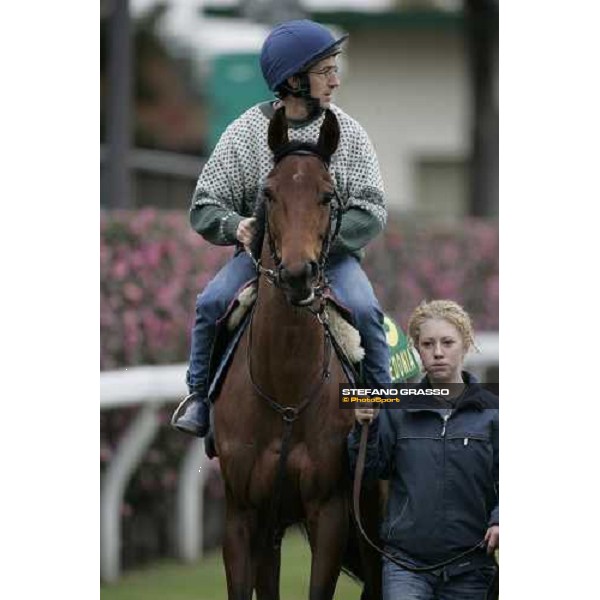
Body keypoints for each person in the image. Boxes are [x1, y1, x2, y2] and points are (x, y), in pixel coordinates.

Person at [171, 19, 391, 437]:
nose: (335, 80)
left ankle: (383, 405)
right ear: (293, 80)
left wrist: (316, 243)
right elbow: (204, 205)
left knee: (365, 309)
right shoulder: (243, 133)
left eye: (334, 69)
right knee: (211, 302)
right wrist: (236, 226)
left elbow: (372, 210)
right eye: (326, 70)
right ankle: (198, 397)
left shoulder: (351, 134)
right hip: (260, 261)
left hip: (334, 261)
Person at [348, 300, 499, 600]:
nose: (438, 352)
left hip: (471, 567)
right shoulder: (396, 409)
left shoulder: (493, 414)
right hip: (406, 565)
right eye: (428, 344)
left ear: (465, 345)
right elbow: (366, 470)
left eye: (447, 342)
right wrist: (365, 428)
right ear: (417, 349)